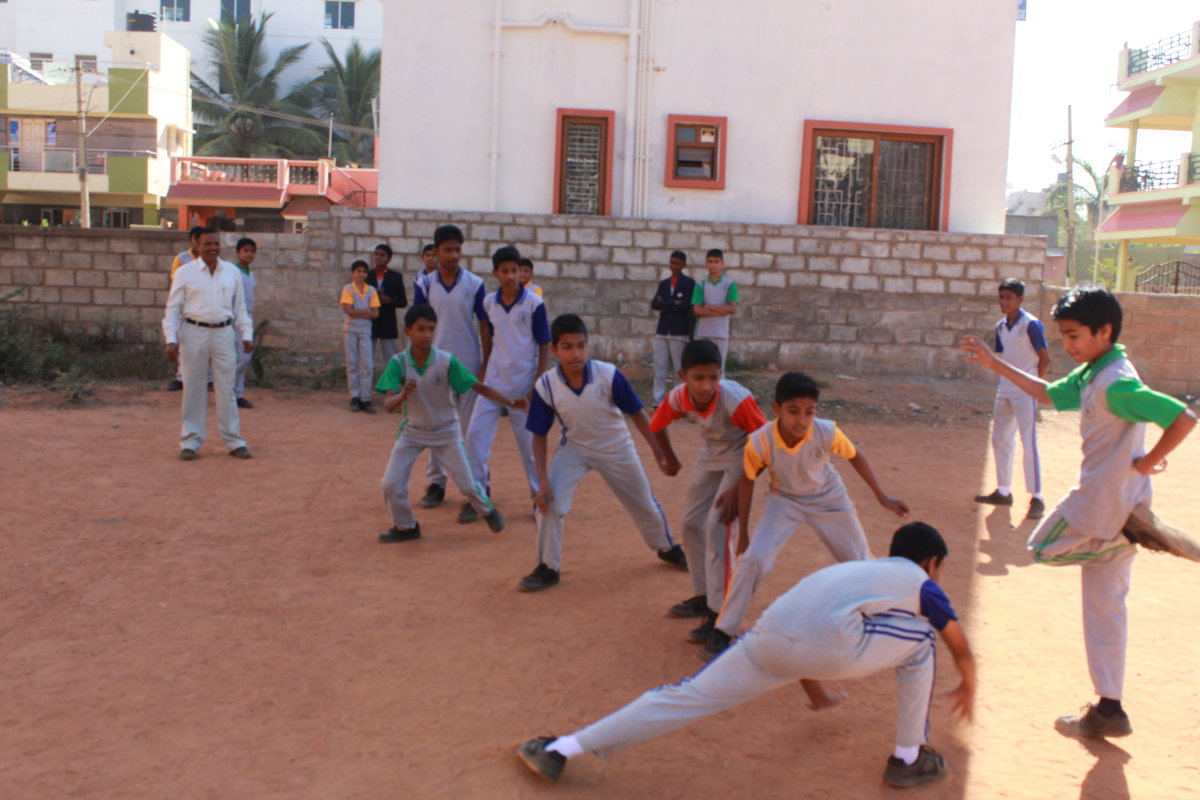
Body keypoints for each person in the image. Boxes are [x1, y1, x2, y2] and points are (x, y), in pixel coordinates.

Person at [517, 522, 975, 791]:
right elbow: (952, 635)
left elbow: (803, 634)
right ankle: (908, 758)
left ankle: (560, 749)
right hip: (831, 644)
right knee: (922, 641)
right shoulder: (919, 582)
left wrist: (815, 693)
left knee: (684, 696)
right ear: (931, 563)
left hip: (769, 635)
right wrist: (969, 680)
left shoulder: (853, 572)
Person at [962, 286, 1197, 739]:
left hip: (1104, 501)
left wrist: (1148, 462)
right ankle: (1110, 707)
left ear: (1104, 331)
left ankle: (1126, 535)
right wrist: (996, 366)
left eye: (1073, 336)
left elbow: (1183, 418)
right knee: (1105, 611)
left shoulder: (1116, 382)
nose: (1067, 346)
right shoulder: (1095, 373)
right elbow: (1048, 394)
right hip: (1126, 506)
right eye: (1063, 337)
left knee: (1041, 548)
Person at [702, 372, 910, 661]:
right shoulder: (760, 441)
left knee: (860, 560)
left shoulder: (825, 431)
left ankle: (885, 617)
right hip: (783, 501)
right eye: (793, 411)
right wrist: (745, 535)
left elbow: (855, 456)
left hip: (829, 499)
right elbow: (748, 480)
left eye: (809, 412)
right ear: (776, 410)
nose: (801, 420)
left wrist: (883, 497)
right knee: (753, 559)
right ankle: (724, 629)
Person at [518, 313, 686, 592]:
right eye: (568, 347)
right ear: (555, 350)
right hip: (575, 447)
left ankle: (666, 547)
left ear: (588, 345)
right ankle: (548, 566)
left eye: (581, 346)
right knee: (549, 502)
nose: (576, 354)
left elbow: (638, 414)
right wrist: (541, 481)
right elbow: (538, 436)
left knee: (643, 502)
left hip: (616, 445)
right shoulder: (546, 386)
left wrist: (658, 453)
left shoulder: (607, 374)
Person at [650, 339, 766, 644]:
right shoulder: (678, 398)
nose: (706, 386)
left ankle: (722, 615)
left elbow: (765, 446)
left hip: (744, 453)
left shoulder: (735, 400)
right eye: (698, 377)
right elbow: (656, 424)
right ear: (682, 375)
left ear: (721, 374)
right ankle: (704, 596)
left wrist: (739, 487)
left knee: (718, 528)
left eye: (714, 377)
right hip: (711, 451)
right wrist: (669, 458)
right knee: (691, 523)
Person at [375, 304, 522, 542]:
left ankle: (488, 511)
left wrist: (510, 402)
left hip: (446, 430)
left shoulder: (445, 361)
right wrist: (402, 395)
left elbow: (478, 386)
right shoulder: (399, 363)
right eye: (420, 329)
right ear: (408, 331)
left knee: (466, 485)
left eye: (431, 329)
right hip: (412, 431)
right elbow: (388, 404)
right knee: (390, 484)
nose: (426, 335)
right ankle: (406, 527)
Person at [462, 245, 550, 522]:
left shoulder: (534, 304)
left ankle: (539, 498)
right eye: (505, 271)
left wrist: (535, 385)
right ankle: (478, 496)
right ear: (496, 274)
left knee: (529, 446)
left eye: (515, 270)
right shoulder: (489, 303)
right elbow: (487, 336)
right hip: (492, 385)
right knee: (474, 438)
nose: (511, 275)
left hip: (523, 388)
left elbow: (544, 345)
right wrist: (485, 369)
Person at [413, 224, 490, 515]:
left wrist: (484, 362)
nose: (454, 255)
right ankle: (436, 483)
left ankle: (475, 488)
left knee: (471, 430)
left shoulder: (474, 284)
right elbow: (418, 325)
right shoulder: (425, 285)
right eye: (448, 249)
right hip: (434, 363)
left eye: (458, 249)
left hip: (467, 363)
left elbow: (484, 323)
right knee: (435, 425)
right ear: (435, 252)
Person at [162, 228, 253, 460]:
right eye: (207, 244)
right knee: (193, 388)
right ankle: (190, 442)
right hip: (194, 333)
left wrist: (246, 334)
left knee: (227, 389)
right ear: (197, 246)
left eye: (216, 243)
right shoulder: (185, 273)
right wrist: (171, 340)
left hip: (224, 333)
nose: (213, 248)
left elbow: (240, 307)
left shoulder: (231, 272)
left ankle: (234, 441)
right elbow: (172, 309)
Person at [973, 278, 1050, 519]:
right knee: (1000, 438)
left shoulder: (1031, 325)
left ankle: (1037, 497)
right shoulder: (1000, 326)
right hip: (1005, 388)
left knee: (1029, 442)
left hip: (1026, 390)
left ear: (1020, 300)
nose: (1004, 302)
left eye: (1009, 297)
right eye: (1002, 297)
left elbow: (1045, 359)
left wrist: (1034, 386)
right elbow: (1001, 359)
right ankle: (1004, 490)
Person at [650, 250, 696, 407]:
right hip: (663, 330)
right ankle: (658, 401)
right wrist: (672, 302)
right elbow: (654, 304)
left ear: (684, 265)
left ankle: (678, 401)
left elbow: (684, 306)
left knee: (679, 368)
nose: (674, 266)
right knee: (659, 367)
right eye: (672, 263)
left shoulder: (689, 283)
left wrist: (665, 302)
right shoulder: (663, 283)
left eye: (677, 263)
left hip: (679, 331)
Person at [165, 225, 205, 391]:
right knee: (182, 342)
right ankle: (181, 378)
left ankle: (206, 378)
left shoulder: (209, 259)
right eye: (196, 239)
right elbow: (175, 283)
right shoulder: (182, 258)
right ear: (191, 240)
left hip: (202, 306)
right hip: (184, 306)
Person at [341, 259, 381, 413]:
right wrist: (367, 313)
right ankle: (354, 397)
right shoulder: (348, 289)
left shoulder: (371, 290)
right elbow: (348, 310)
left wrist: (358, 312)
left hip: (365, 330)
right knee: (351, 362)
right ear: (353, 273)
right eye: (358, 271)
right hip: (351, 329)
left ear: (366, 273)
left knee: (367, 364)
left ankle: (366, 397)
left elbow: (376, 313)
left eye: (364, 271)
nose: (361, 274)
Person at [691, 248, 738, 368]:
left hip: (721, 333)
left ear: (722, 263)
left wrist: (709, 306)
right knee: (699, 367)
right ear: (706, 264)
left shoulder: (730, 284)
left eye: (716, 261)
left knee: (719, 369)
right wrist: (722, 310)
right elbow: (697, 310)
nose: (713, 265)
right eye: (710, 262)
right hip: (702, 333)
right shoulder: (700, 285)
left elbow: (732, 309)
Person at [365, 243, 408, 366]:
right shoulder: (367, 276)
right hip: (370, 321)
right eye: (376, 254)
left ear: (388, 259)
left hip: (387, 321)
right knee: (367, 356)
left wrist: (389, 300)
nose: (378, 257)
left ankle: (389, 383)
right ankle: (368, 383)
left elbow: (403, 301)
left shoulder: (395, 277)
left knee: (389, 357)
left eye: (382, 255)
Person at [232, 237, 257, 409]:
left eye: (252, 251)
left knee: (246, 357)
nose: (249, 254)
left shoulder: (251, 273)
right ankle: (229, 392)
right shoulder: (233, 272)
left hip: (247, 317)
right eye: (245, 251)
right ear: (238, 253)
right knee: (238, 357)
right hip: (235, 318)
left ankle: (238, 393)